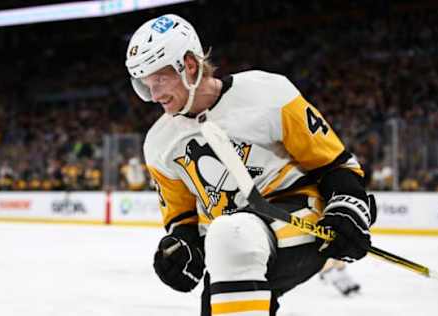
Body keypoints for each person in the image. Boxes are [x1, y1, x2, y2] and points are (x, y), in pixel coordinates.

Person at [125, 14, 376, 315]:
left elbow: (334, 163)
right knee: (227, 267)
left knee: (232, 237)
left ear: (189, 65)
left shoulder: (268, 93)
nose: (153, 95)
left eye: (159, 79)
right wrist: (182, 248)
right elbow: (182, 217)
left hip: (297, 219)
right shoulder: (158, 143)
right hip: (230, 241)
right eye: (146, 84)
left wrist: (348, 204)